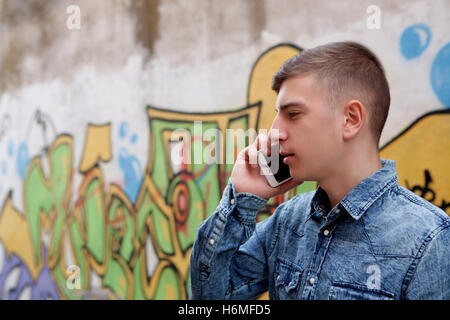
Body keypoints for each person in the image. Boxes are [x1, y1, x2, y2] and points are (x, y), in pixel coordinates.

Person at [189, 41, 449, 300]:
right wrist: (242, 201)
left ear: (351, 119)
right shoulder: (287, 222)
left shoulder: (428, 241)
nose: (274, 132)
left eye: (293, 113)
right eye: (277, 115)